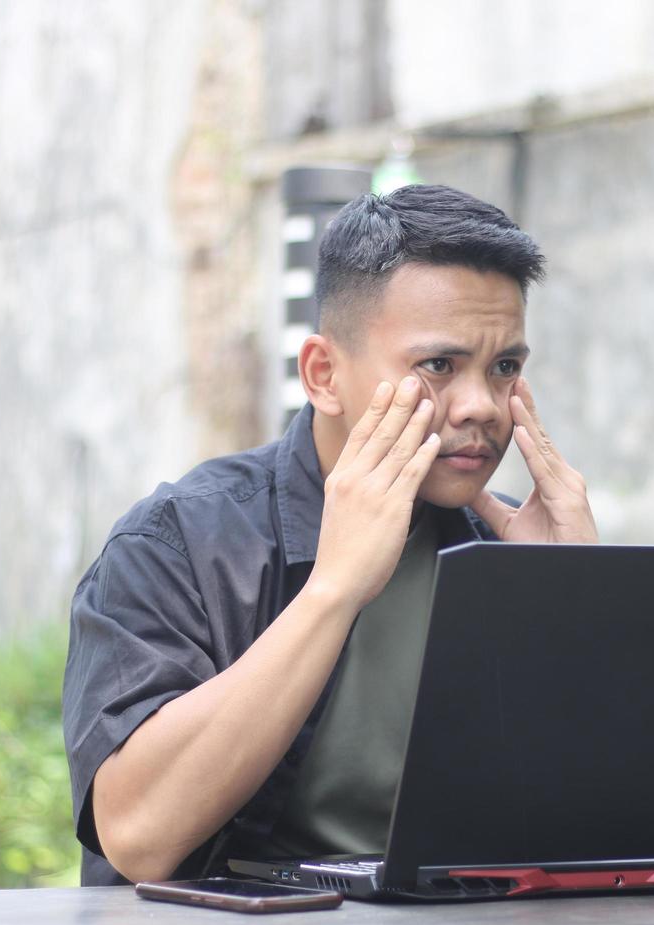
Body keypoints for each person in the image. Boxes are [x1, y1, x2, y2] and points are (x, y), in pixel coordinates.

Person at [62, 184, 598, 886]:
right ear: (323, 375)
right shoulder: (180, 544)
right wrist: (334, 590)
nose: (481, 407)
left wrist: (579, 611)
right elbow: (139, 836)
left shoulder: (510, 549)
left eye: (505, 368)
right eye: (439, 366)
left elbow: (611, 836)